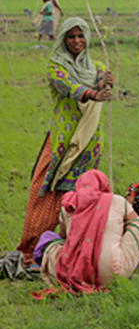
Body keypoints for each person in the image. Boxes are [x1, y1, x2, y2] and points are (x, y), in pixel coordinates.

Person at [16, 18, 113, 266]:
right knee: (46, 191)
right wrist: (94, 93)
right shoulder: (56, 66)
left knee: (82, 194)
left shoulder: (97, 66)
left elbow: (101, 82)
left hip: (89, 141)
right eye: (71, 37)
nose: (77, 41)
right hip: (61, 141)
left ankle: (72, 248)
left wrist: (105, 84)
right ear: (63, 39)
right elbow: (69, 87)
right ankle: (35, 248)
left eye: (81, 36)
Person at [32, 170, 139, 297]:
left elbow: (63, 237)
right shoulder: (118, 200)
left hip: (70, 271)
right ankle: (127, 269)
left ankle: (76, 270)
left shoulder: (69, 204)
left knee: (48, 238)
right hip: (113, 274)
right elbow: (134, 220)